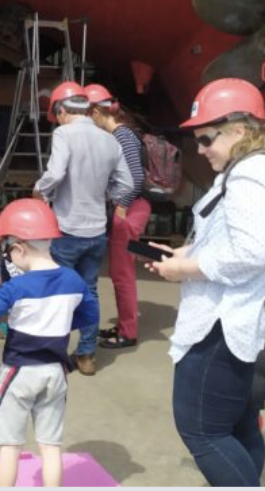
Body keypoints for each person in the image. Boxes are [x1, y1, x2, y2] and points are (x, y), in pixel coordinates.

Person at [144, 78, 265, 486]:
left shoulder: (252, 176)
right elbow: (239, 239)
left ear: (239, 130)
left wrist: (183, 270)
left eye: (206, 139)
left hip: (229, 326)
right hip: (258, 323)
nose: (200, 150)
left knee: (203, 431)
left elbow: (252, 252)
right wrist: (186, 254)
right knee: (240, 427)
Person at [0, 198, 96, 487]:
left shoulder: (15, 287)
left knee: (10, 445)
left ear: (18, 249)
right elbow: (91, 315)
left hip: (18, 372)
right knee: (50, 446)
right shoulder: (74, 280)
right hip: (55, 373)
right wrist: (61, 323)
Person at [33, 81, 134, 375]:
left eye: (58, 115)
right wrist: (104, 192)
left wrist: (40, 190)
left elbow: (56, 172)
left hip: (67, 230)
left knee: (61, 295)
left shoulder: (63, 133)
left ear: (62, 110)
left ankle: (58, 356)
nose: (58, 121)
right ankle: (87, 355)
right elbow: (126, 184)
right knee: (89, 292)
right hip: (96, 232)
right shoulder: (109, 140)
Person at [84, 84, 150, 349]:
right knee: (119, 271)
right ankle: (125, 325)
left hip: (130, 209)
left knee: (122, 273)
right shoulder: (121, 134)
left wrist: (120, 206)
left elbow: (134, 179)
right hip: (130, 208)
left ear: (98, 112)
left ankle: (128, 332)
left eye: (88, 116)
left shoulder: (121, 136)